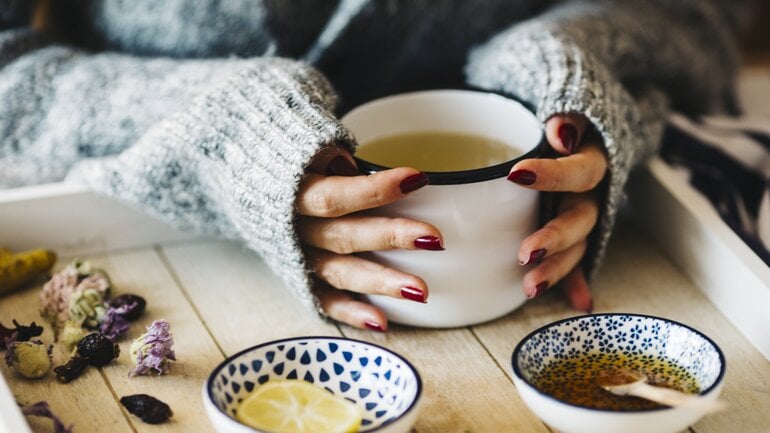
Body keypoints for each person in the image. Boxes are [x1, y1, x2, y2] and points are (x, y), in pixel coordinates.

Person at [0, 0, 752, 331]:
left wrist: (577, 59)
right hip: (169, 262)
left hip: (626, 269)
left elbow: (704, 11)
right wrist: (222, 128)